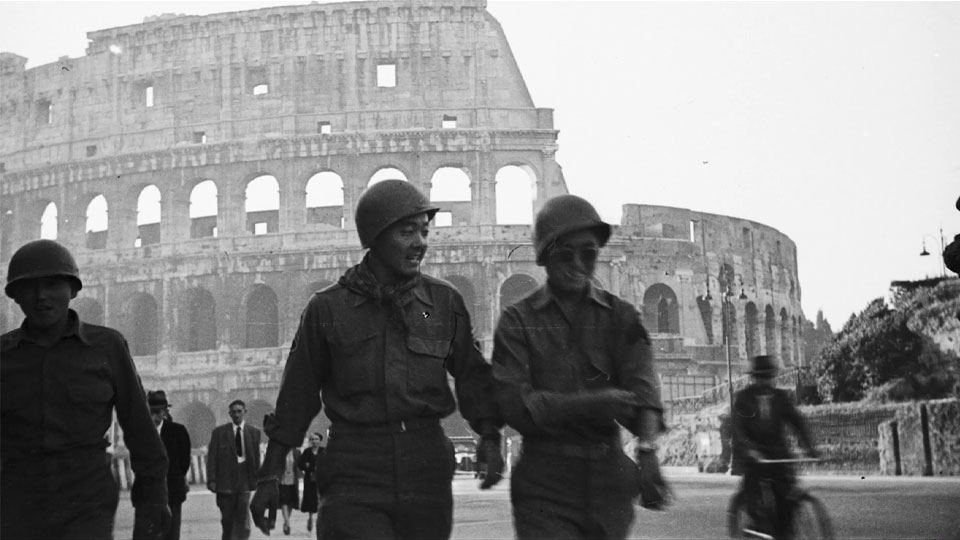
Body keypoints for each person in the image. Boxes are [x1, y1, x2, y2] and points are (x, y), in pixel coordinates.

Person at [250, 180, 504, 539]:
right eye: (407, 232)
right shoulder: (327, 307)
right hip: (355, 467)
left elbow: (473, 374)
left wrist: (490, 435)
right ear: (376, 236)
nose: (420, 243)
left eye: (424, 232)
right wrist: (270, 475)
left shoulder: (444, 301)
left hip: (425, 465)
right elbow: (297, 396)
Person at [491, 194, 670, 540]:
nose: (578, 263)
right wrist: (595, 402)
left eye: (588, 254)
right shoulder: (517, 321)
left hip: (608, 477)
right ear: (545, 256)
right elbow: (516, 405)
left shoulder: (621, 317)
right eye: (565, 253)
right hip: (545, 479)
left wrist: (647, 451)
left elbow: (643, 387)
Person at [0, 239, 171, 540]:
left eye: (53, 285)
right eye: (30, 287)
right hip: (16, 503)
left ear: (73, 290)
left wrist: (153, 499)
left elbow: (139, 428)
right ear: (15, 296)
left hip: (86, 501)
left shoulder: (107, 346)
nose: (41, 297)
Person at [731, 355, 818, 539]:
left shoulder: (781, 397)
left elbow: (796, 422)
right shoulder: (743, 399)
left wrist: (809, 447)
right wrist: (751, 449)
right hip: (752, 454)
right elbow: (739, 429)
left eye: (768, 377)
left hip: (777, 453)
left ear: (772, 377)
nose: (764, 382)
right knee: (753, 489)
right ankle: (755, 524)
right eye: (760, 377)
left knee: (787, 493)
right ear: (753, 378)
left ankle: (783, 530)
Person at [207, 399, 262, 540]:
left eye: (239, 411)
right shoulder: (219, 433)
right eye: (234, 412)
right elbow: (212, 457)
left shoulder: (254, 433)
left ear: (245, 412)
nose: (237, 415)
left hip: (244, 481)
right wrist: (212, 480)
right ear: (229, 414)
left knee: (243, 518)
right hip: (225, 483)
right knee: (227, 520)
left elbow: (255, 458)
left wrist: (257, 479)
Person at [148, 390, 193, 540]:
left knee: (172, 534)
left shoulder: (178, 431)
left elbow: (184, 461)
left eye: (157, 412)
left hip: (173, 490)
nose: (154, 416)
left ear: (165, 412)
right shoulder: (143, 432)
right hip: (149, 492)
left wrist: (175, 477)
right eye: (151, 412)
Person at [297, 432, 325, 533]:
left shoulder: (324, 451)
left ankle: (321, 519)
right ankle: (310, 517)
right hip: (310, 479)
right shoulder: (307, 452)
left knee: (322, 499)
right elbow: (300, 464)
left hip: (322, 479)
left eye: (316, 439)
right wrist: (306, 466)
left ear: (320, 441)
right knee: (310, 499)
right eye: (312, 439)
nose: (314, 441)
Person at [278, 443, 302, 535]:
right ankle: (287, 523)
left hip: (293, 480)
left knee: (291, 502)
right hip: (282, 480)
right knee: (284, 501)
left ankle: (286, 520)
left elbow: (300, 465)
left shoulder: (297, 452)